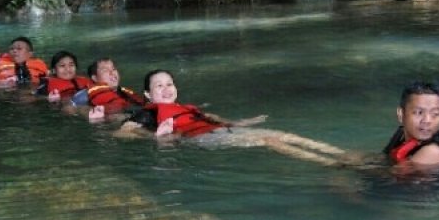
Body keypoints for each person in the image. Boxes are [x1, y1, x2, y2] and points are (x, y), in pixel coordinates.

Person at [115, 69, 355, 166]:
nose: (166, 88)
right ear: (148, 94)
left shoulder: (188, 108)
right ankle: (334, 165)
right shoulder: (147, 113)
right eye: (159, 86)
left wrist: (244, 123)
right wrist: (156, 137)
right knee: (270, 142)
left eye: (169, 83)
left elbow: (216, 119)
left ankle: (343, 155)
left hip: (218, 131)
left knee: (284, 134)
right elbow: (121, 133)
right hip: (202, 140)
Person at [382, 81, 439, 170]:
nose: (427, 120)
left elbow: (391, 178)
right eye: (419, 113)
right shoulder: (402, 138)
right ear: (401, 114)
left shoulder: (432, 152)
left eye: (435, 114)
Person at [70, 58, 145, 120]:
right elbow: (73, 109)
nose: (112, 73)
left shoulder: (124, 93)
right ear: (95, 78)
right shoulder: (83, 96)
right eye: (105, 70)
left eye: (114, 69)